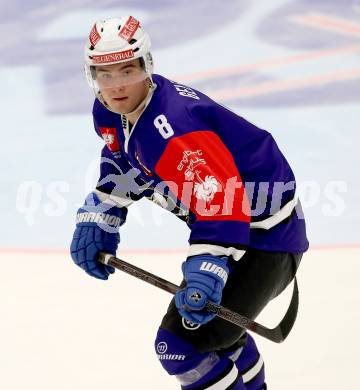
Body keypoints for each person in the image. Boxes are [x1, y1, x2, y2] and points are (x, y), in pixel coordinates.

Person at [70, 15, 309, 389]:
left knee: (180, 348)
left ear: (147, 66)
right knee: (218, 341)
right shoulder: (111, 111)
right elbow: (124, 159)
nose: (116, 85)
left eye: (127, 70)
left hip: (266, 242)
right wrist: (102, 210)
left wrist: (209, 266)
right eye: (105, 74)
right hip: (245, 233)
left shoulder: (174, 128)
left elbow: (222, 201)